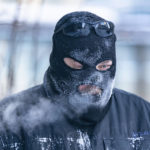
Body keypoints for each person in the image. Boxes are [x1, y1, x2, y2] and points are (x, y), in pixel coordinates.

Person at [0, 11, 150, 150]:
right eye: (78, 66)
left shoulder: (142, 116)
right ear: (57, 62)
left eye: (103, 67)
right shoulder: (11, 118)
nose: (93, 78)